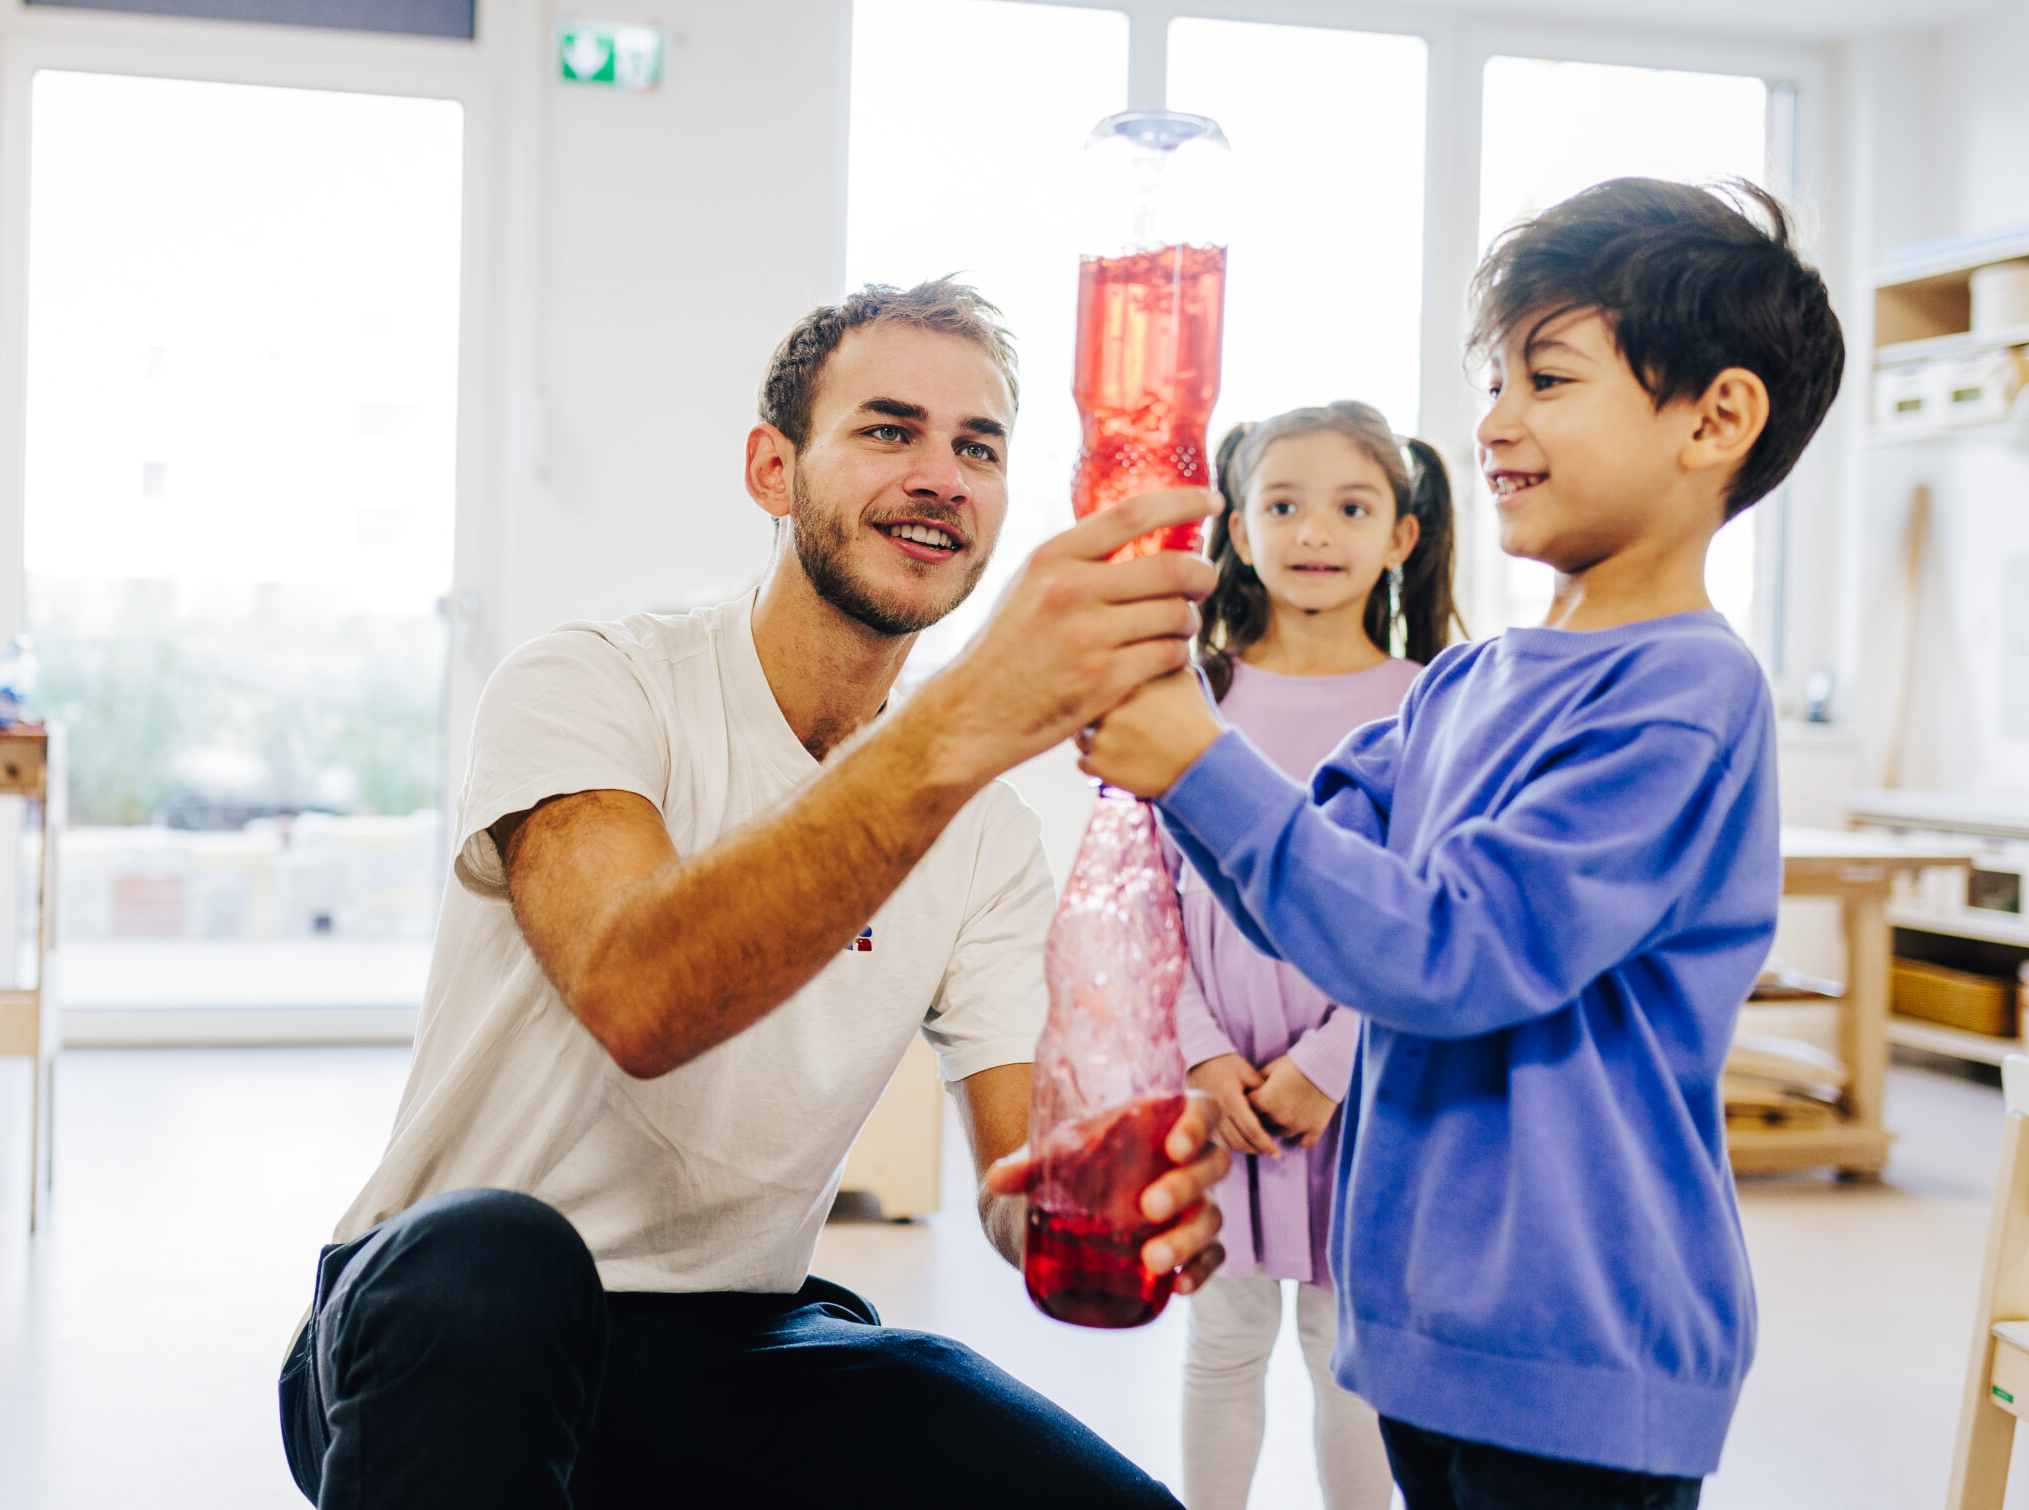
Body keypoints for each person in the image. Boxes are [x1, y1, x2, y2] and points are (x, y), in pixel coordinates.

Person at [279, 277, 1232, 1510]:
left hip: (730, 1348)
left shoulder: (988, 836)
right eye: (889, 430)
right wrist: (965, 719)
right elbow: (640, 998)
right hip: (438, 1333)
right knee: (494, 1255)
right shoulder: (592, 686)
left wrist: (1106, 1208)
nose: (941, 476)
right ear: (771, 471)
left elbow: (1023, 1187)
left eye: (978, 448)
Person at [1081, 178, 1844, 1510]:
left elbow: (1446, 952)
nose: (1493, 422)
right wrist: (1169, 727)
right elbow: (1304, 899)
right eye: (1493, 381)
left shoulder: (1681, 694)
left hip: (1576, 1353)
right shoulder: (1458, 686)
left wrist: (1195, 758)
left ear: (1715, 419)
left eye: (1547, 378)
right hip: (1420, 1330)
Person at [1173, 402, 1458, 1510]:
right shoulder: (1195, 693)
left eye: (1350, 506)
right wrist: (1202, 1057)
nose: (1315, 532)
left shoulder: (1430, 704)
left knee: (1348, 1355)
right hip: (1219, 1093)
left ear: (1401, 535)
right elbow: (1145, 895)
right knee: (1222, 1339)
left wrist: (1330, 1065)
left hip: (1366, 1092)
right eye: (1283, 505)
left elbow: (1436, 912)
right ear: (1240, 531)